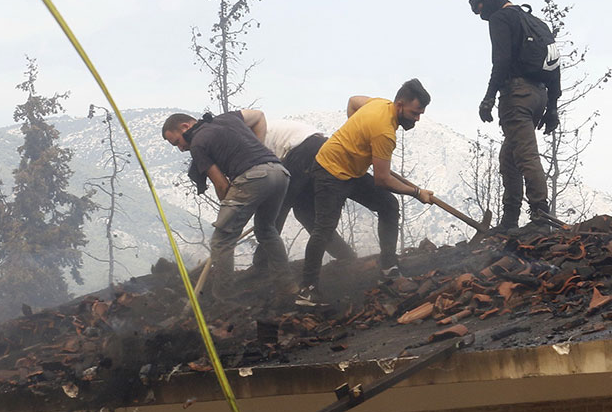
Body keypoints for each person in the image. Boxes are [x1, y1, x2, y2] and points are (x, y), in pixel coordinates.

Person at [296, 80, 438, 308]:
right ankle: (307, 291)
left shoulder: (380, 104)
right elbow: (382, 180)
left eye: (421, 113)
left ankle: (388, 268)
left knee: (388, 205)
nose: (417, 119)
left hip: (352, 171)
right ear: (400, 105)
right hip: (330, 170)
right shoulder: (384, 133)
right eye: (415, 113)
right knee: (324, 228)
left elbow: (353, 101)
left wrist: (357, 137)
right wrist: (416, 192)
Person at [162, 109, 291, 298]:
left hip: (254, 177)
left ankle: (223, 297)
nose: (181, 148)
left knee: (221, 241)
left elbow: (221, 184)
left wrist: (228, 208)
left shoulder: (198, 143)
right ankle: (288, 286)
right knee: (266, 230)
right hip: (280, 172)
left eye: (177, 142)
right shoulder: (228, 118)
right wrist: (258, 147)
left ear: (185, 127)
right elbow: (259, 116)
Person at [469, 0, 563, 230]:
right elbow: (555, 63)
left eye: (480, 9)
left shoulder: (501, 18)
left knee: (524, 154)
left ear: (487, 0)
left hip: (517, 94)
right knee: (509, 157)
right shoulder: (535, 22)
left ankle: (541, 216)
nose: (481, 15)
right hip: (539, 95)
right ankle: (510, 219)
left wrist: (489, 97)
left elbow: (501, 60)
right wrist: (552, 106)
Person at [260, 115, 355, 262]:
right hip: (319, 148)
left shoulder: (247, 142)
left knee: (277, 206)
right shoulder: (256, 134)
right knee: (305, 213)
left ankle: (262, 263)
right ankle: (346, 257)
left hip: (304, 148)